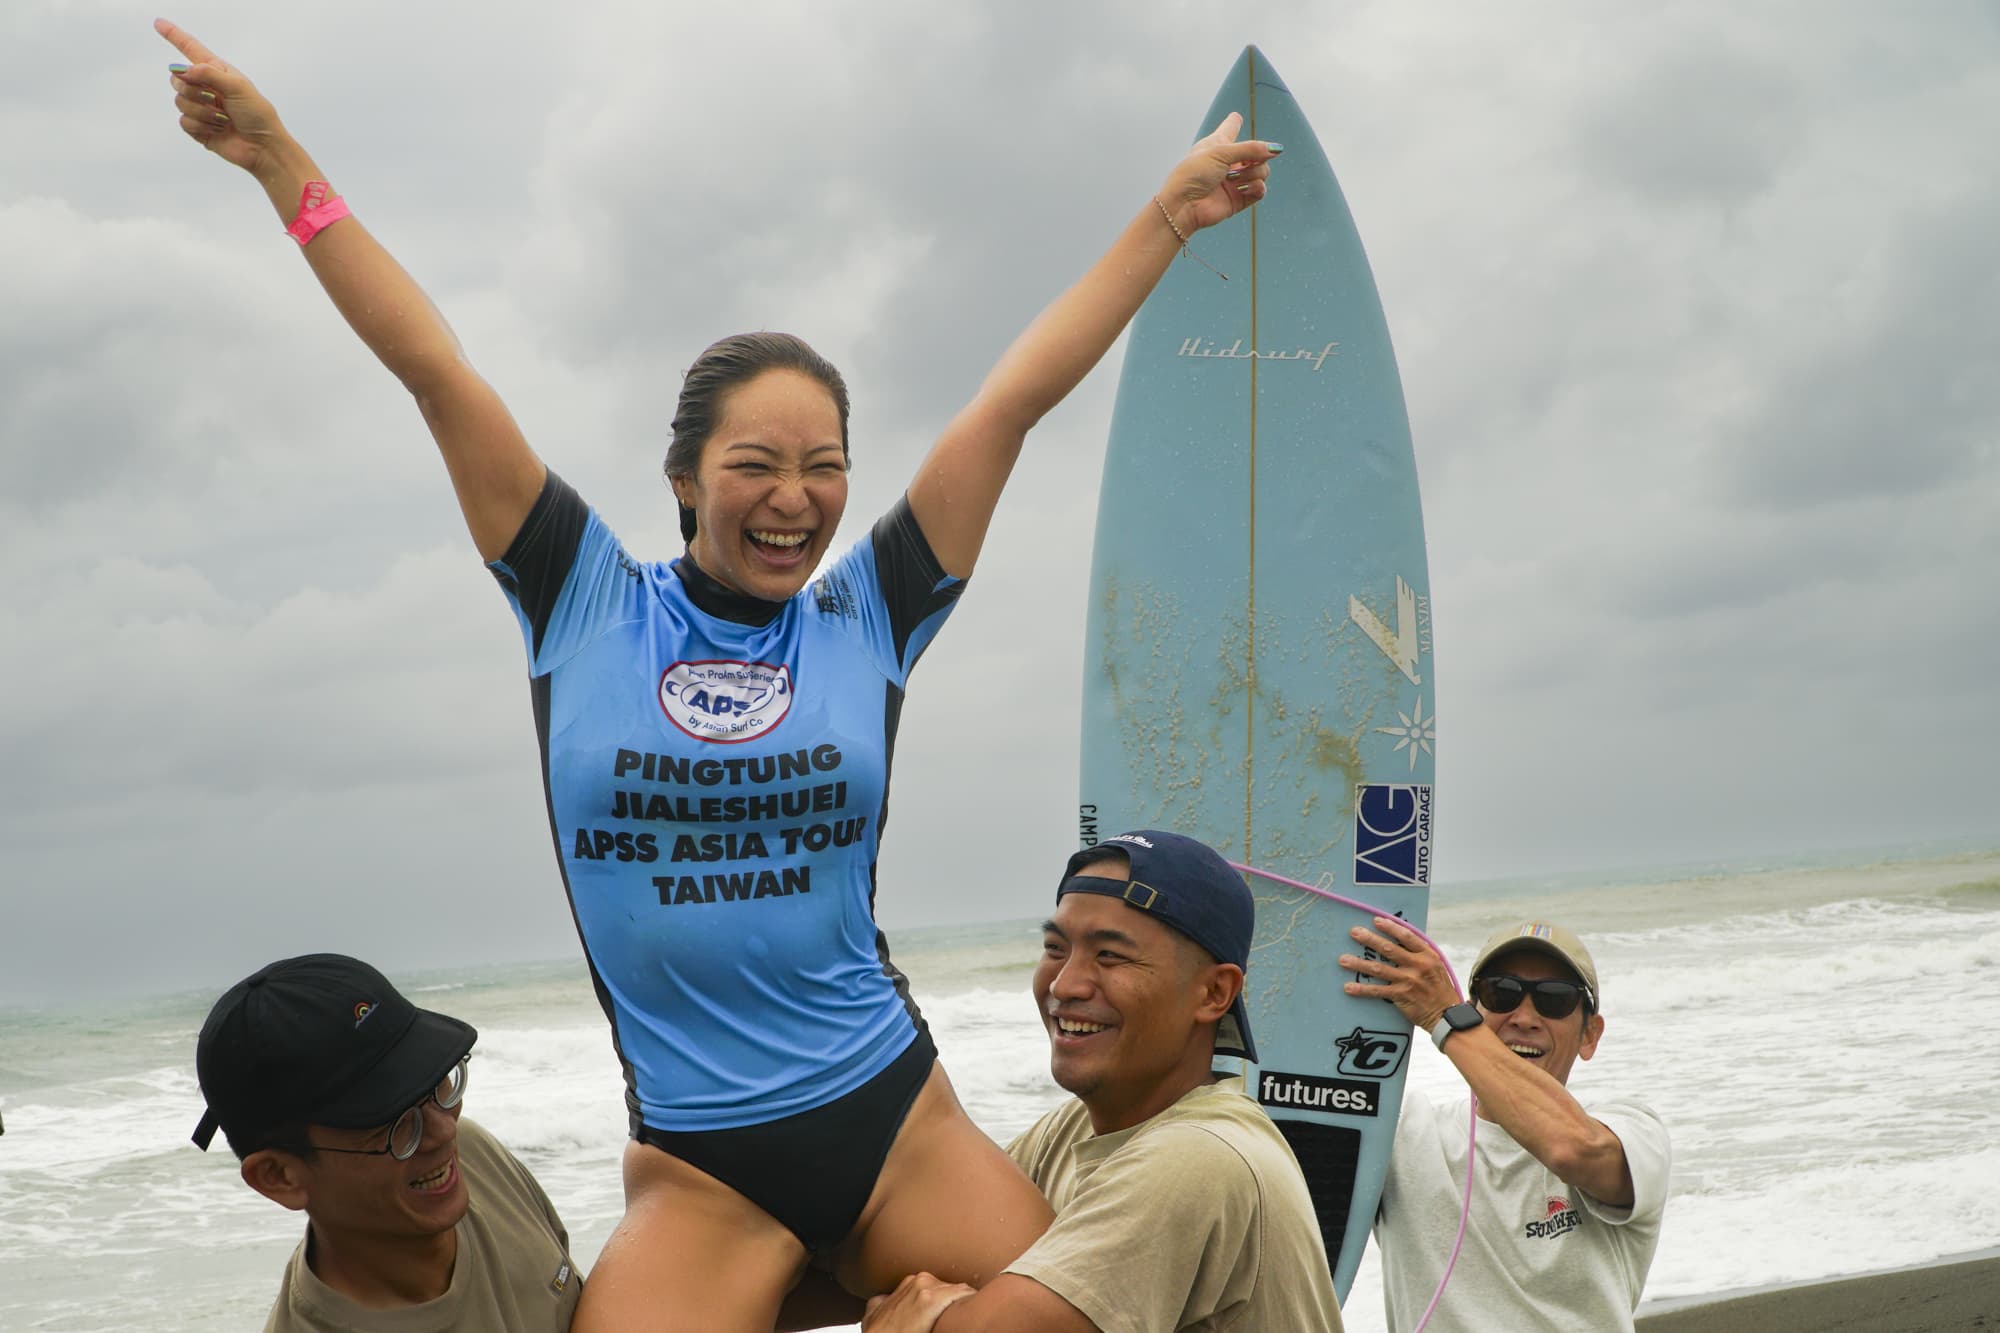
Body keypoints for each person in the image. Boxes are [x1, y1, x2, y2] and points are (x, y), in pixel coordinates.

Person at [155, 20, 1281, 1331]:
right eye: (757, 463)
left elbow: (1011, 402)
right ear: (686, 476)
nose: (796, 499)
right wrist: (279, 162)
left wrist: (1167, 215)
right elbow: (431, 366)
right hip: (703, 1164)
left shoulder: (871, 613)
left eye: (826, 465)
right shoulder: (581, 600)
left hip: (893, 1116)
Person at [862, 831, 1343, 1332]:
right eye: (1055, 947)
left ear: (1213, 992)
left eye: (1110, 956)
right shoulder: (1067, 1133)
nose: (1065, 984)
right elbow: (906, 1240)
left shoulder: (1202, 1156)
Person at [190, 953, 582, 1331]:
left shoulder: (473, 1154)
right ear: (279, 1176)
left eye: (438, 1085)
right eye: (394, 1121)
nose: (444, 1132)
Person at [1340, 917, 1671, 1332]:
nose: (1525, 1017)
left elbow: (1572, 1149)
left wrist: (1445, 1018)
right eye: (1502, 993)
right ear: (1477, 1008)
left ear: (1590, 1034)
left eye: (1554, 999)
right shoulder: (1406, 1131)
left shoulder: (1633, 1132)